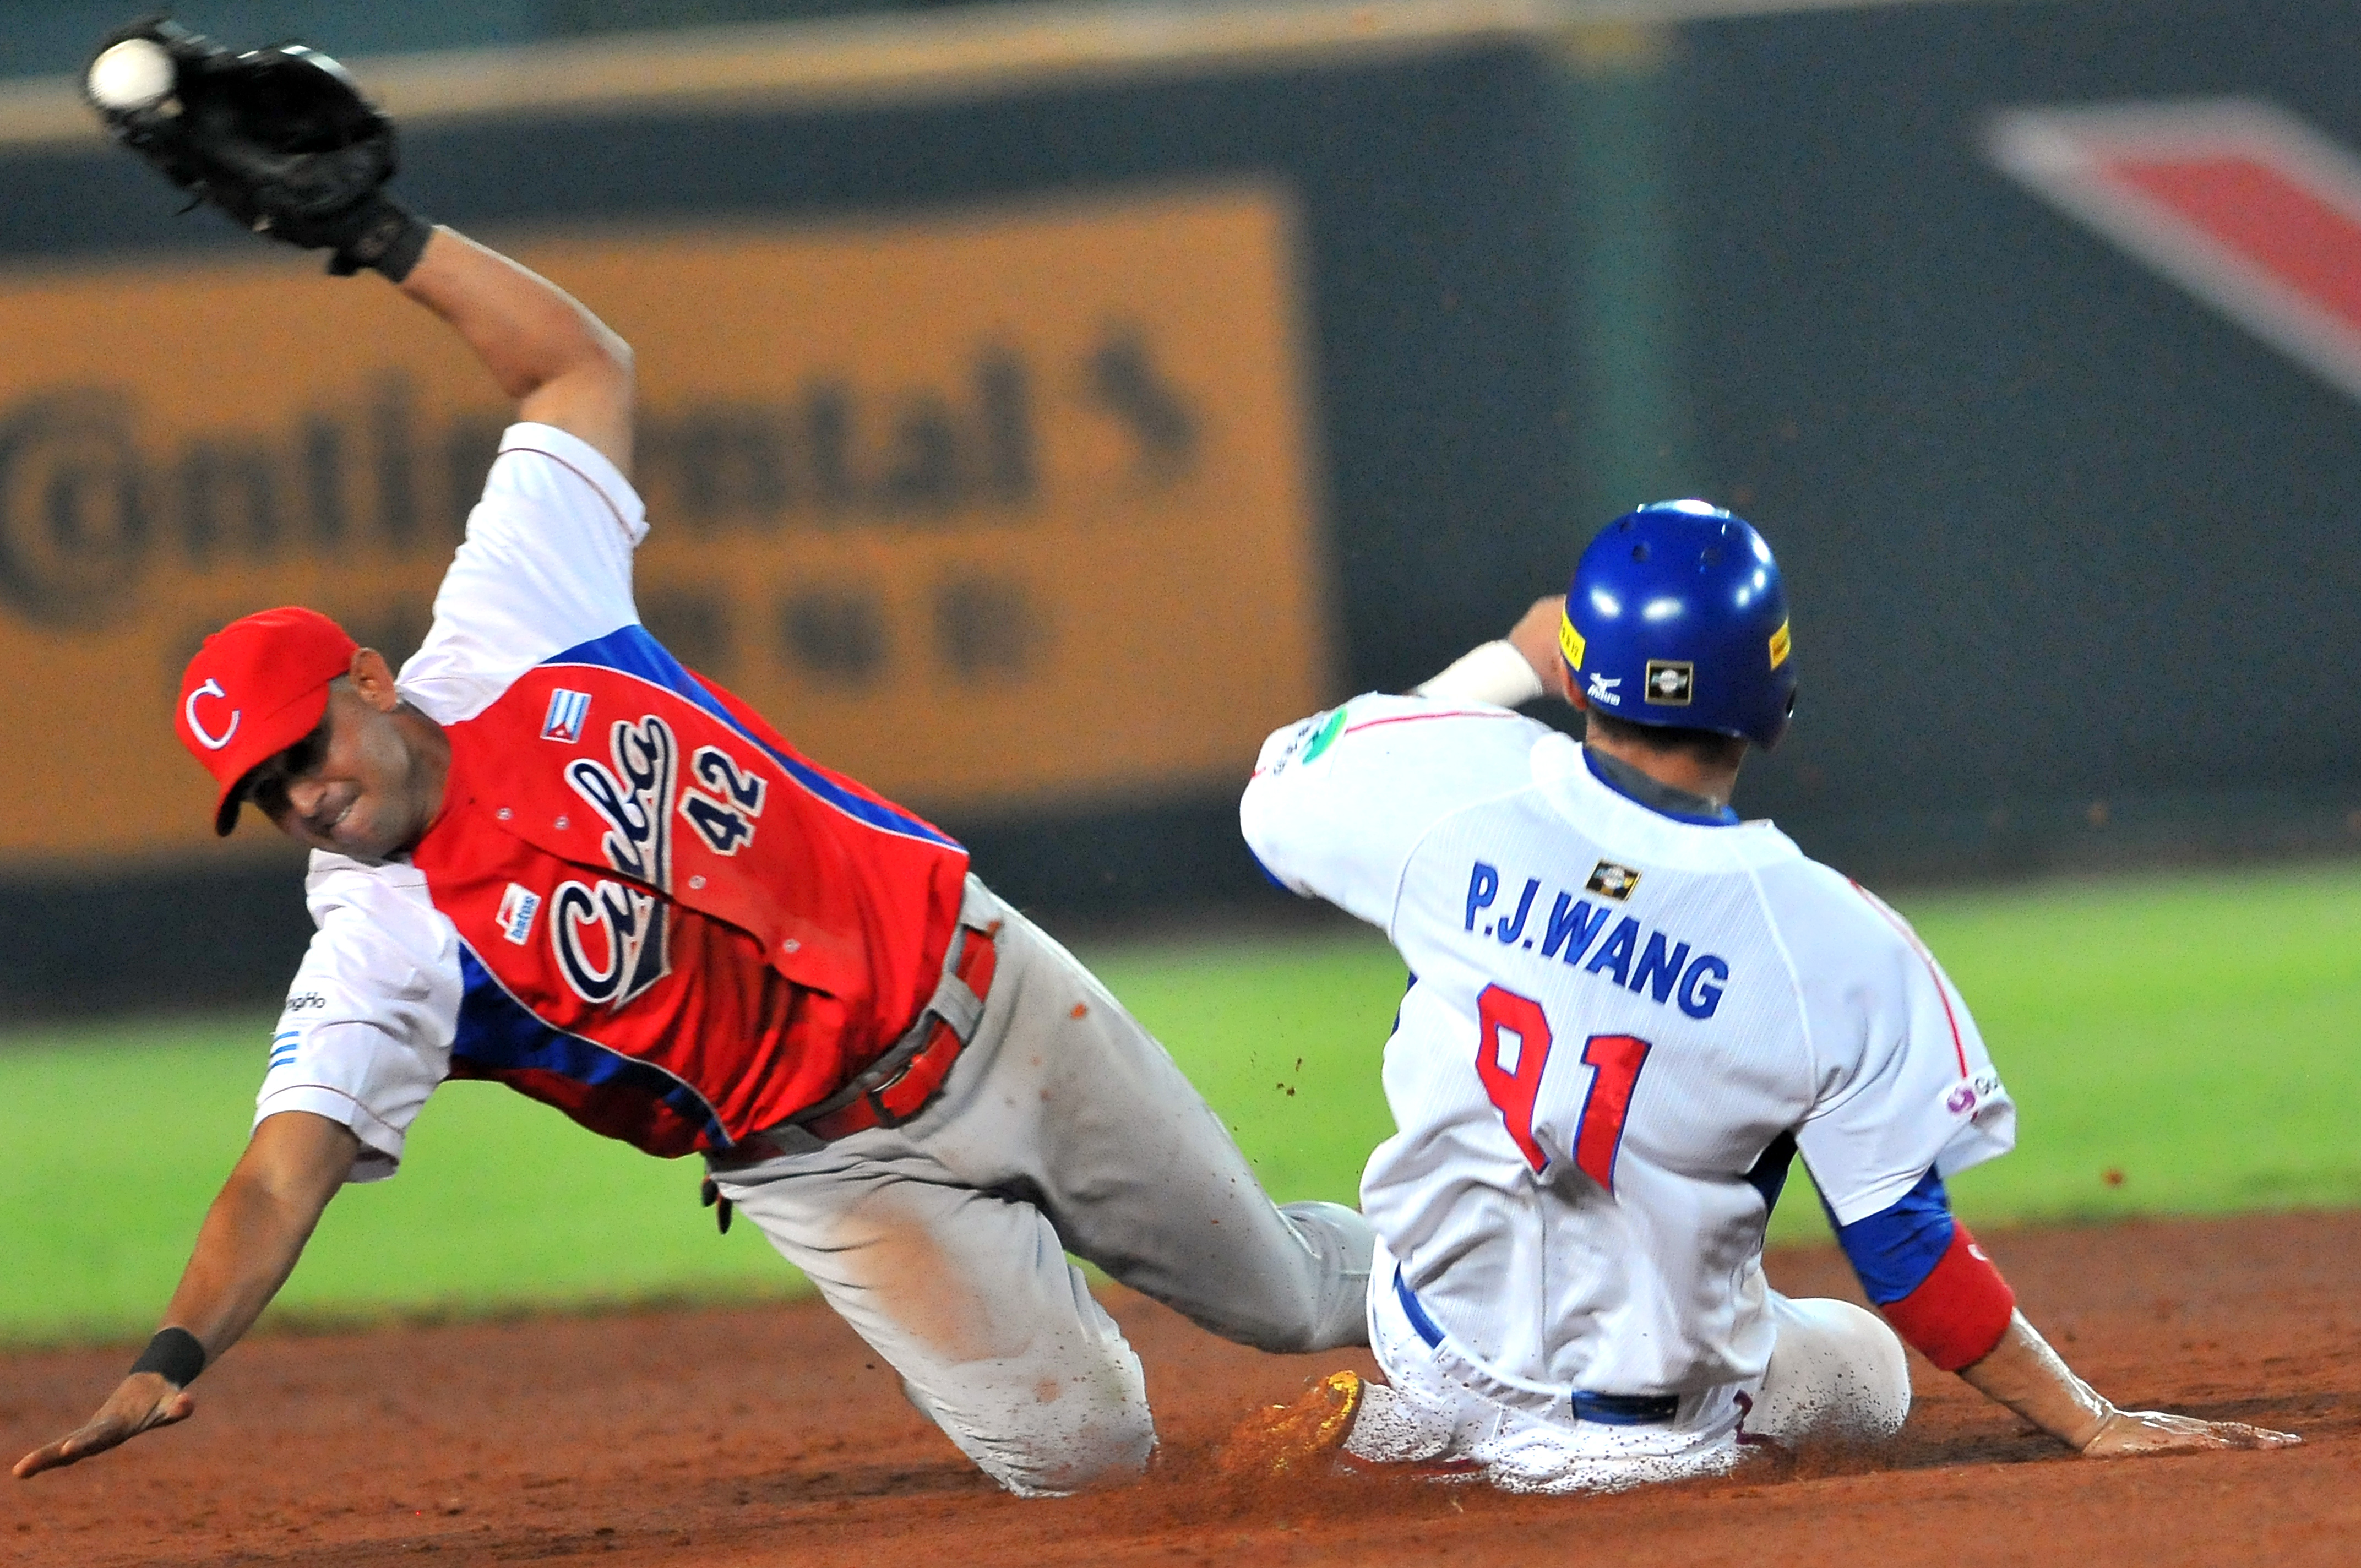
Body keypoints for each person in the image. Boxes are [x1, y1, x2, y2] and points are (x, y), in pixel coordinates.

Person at [17, 27, 1370, 1499]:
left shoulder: (519, 619)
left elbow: (577, 370)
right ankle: (1053, 1333)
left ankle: (1573, 1296)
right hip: (827, 1170)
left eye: (304, 752)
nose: (303, 799)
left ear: (365, 676)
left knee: (1290, 1297)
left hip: (986, 999)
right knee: (1088, 1464)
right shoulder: (379, 954)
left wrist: (380, 238)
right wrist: (171, 1353)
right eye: (265, 796)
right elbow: (283, 1169)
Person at [1227, 500, 2295, 1492]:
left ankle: (1412, 1423)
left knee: (1456, 1282)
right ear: (1770, 696)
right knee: (1864, 1367)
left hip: (1423, 1326)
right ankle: (1487, 1457)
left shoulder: (1447, 786)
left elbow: (1307, 780)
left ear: (1582, 667)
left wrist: (1511, 660)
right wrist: (2090, 1416)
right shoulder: (1829, 939)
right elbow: (1904, 1250)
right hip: (1624, 1439)